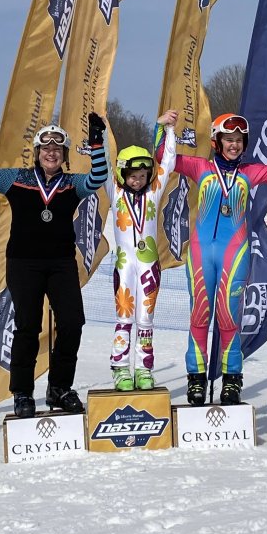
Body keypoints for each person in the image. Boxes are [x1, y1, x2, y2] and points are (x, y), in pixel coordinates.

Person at [0, 112, 108, 418]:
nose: (51, 153)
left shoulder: (72, 184)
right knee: (28, 327)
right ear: (38, 152)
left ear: (65, 155)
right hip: (23, 263)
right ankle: (22, 392)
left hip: (61, 263)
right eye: (46, 149)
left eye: (58, 150)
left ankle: (59, 388)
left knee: (72, 323)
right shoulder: (17, 178)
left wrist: (97, 143)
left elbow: (98, 178)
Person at [156, 113, 267, 406]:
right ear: (216, 142)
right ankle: (195, 379)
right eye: (228, 139)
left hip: (234, 253)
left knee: (228, 317)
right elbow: (163, 157)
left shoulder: (251, 172)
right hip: (200, 252)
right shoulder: (200, 167)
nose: (234, 145)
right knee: (199, 316)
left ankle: (232, 380)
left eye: (238, 140)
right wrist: (162, 128)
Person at [105, 110, 178, 390]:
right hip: (124, 264)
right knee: (124, 317)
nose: (137, 180)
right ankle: (120, 368)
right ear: (122, 174)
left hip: (149, 265)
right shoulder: (116, 192)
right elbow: (101, 165)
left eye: (143, 175)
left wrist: (167, 130)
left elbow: (168, 162)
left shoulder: (153, 192)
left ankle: (144, 369)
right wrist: (99, 136)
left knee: (146, 319)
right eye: (132, 175)